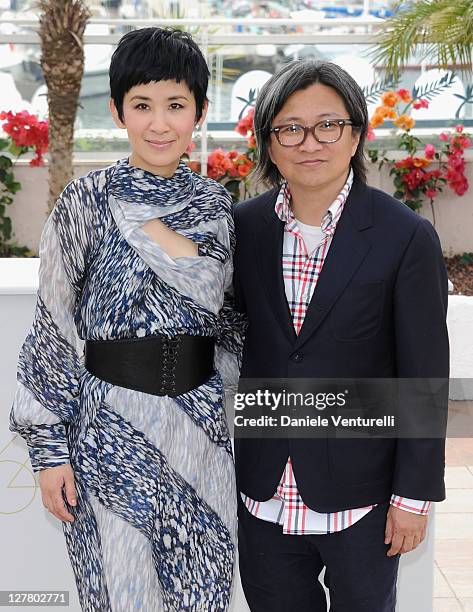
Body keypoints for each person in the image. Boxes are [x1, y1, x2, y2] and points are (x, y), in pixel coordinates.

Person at [10, 27, 244, 611]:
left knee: (204, 591)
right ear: (118, 112)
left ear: (199, 112)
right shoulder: (84, 201)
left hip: (202, 437)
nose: (159, 124)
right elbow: (53, 328)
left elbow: (232, 327)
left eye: (175, 105)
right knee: (121, 594)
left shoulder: (218, 207)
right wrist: (49, 451)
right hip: (108, 431)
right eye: (142, 105)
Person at [233, 60, 449, 611]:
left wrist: (414, 496)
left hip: (364, 499)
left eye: (328, 125)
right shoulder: (243, 229)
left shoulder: (405, 237)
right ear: (269, 142)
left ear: (355, 134)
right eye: (290, 128)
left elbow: (423, 377)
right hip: (264, 493)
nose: (311, 143)